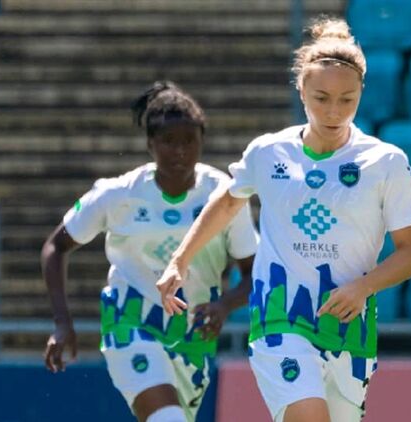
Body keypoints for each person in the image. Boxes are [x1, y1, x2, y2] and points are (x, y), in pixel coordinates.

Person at [156, 18, 411, 422]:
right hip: (280, 321)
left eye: (347, 99)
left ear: (361, 93)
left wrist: (362, 288)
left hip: (348, 328)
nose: (333, 111)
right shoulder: (268, 152)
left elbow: (410, 254)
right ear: (301, 90)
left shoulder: (386, 162)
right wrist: (179, 260)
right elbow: (228, 203)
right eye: (321, 98)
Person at [41, 81, 258, 422]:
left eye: (189, 141)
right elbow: (56, 246)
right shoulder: (118, 194)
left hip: (193, 334)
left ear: (202, 141)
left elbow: (254, 273)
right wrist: (61, 323)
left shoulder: (224, 197)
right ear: (149, 144)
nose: (180, 151)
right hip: (130, 323)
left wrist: (224, 305)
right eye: (168, 141)